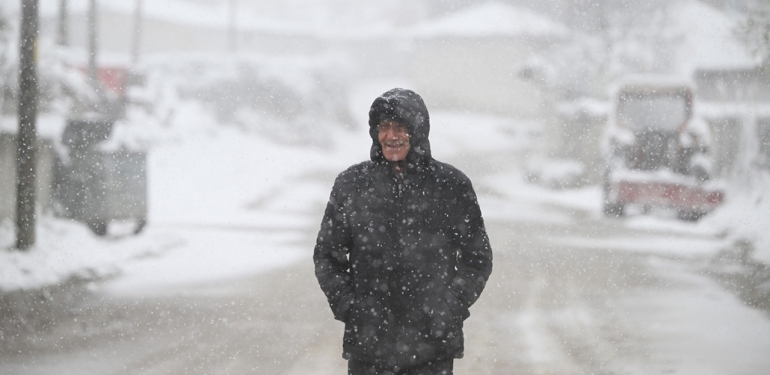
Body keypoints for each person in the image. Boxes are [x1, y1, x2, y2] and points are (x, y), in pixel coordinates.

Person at [314, 88, 493, 375]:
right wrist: (351, 308)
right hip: (369, 348)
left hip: (432, 348)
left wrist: (448, 309)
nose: (391, 135)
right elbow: (327, 256)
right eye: (383, 127)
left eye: (400, 127)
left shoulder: (451, 186)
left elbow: (477, 259)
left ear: (418, 131)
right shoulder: (352, 185)